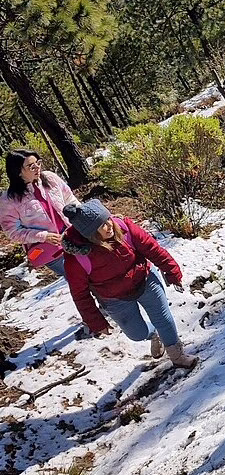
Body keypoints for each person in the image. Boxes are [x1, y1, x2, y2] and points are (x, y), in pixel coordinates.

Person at [62, 200, 197, 368]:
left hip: (145, 280)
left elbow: (152, 249)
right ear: (90, 234)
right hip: (114, 297)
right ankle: (153, 335)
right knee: (136, 334)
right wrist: (96, 322)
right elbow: (80, 294)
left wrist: (172, 271)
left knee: (163, 319)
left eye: (107, 219)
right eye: (101, 225)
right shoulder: (78, 258)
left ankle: (177, 356)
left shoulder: (124, 228)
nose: (109, 225)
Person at [1, 149, 80, 277]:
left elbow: (70, 199)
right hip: (51, 249)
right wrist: (44, 236)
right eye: (31, 166)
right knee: (78, 280)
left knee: (97, 272)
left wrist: (82, 219)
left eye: (38, 163)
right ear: (18, 172)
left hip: (74, 234)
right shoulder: (8, 200)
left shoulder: (50, 178)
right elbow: (13, 232)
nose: (37, 167)